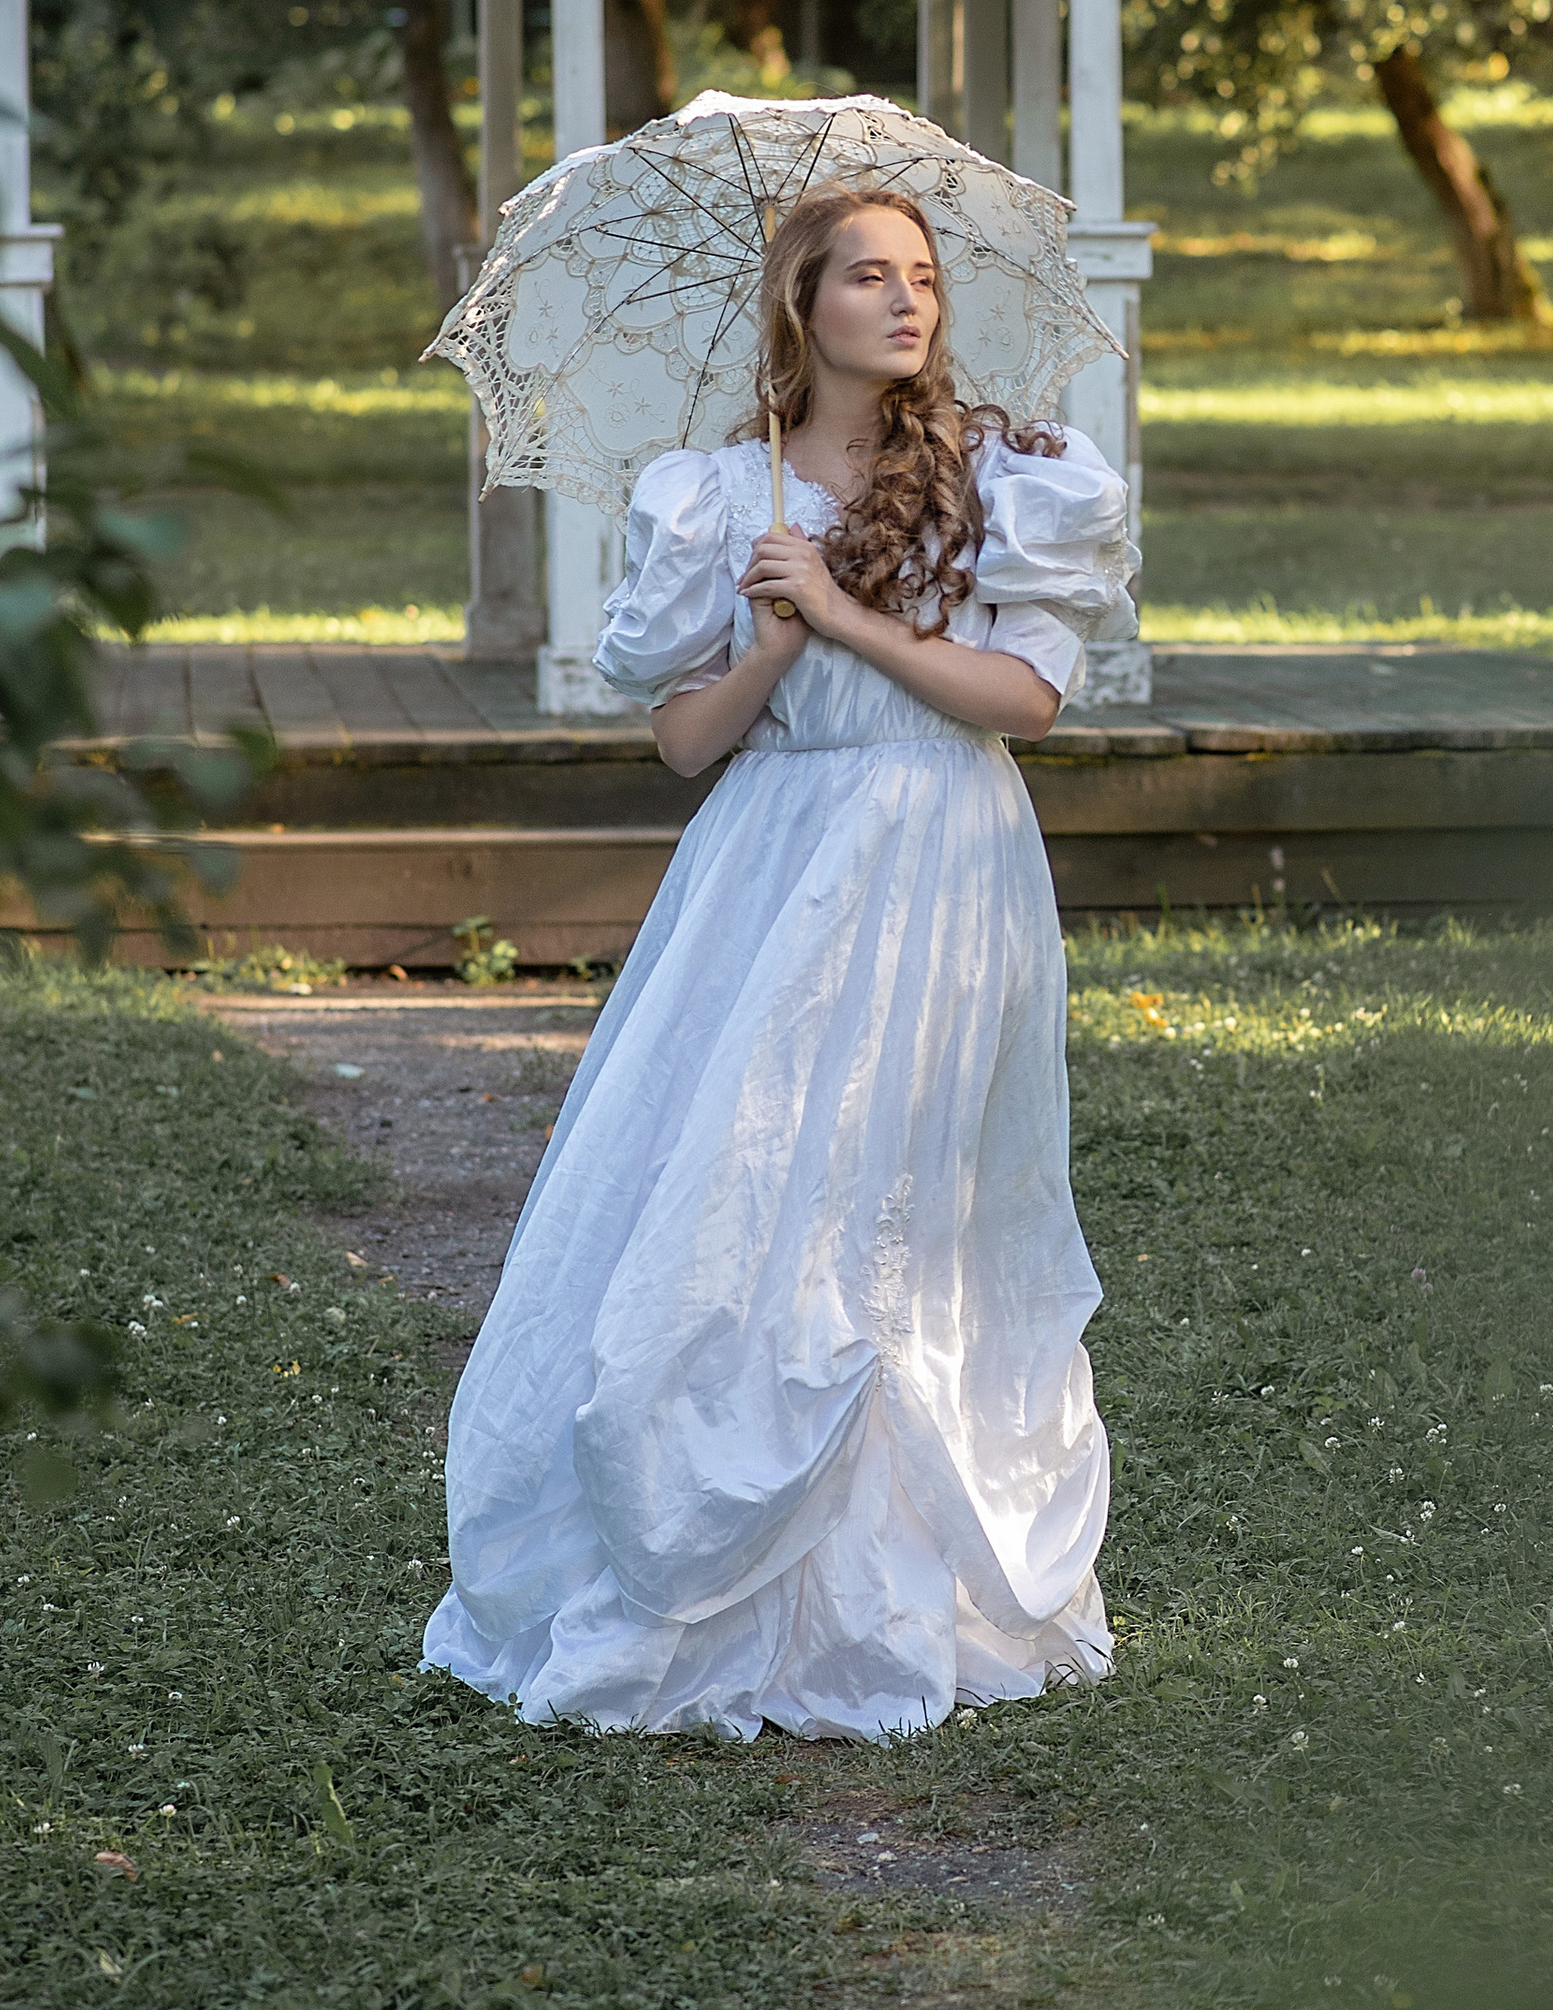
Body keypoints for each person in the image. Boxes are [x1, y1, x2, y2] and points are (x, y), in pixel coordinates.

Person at [422, 184, 1136, 1744]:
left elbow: (1023, 696)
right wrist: (770, 640)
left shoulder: (1005, 474)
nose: (906, 300)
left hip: (944, 861)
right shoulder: (713, 493)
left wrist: (843, 608)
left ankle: (907, 1575)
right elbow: (682, 743)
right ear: (801, 306)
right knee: (746, 1190)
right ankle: (711, 1546)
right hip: (772, 869)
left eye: (923, 276)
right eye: (867, 275)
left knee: (900, 1197)